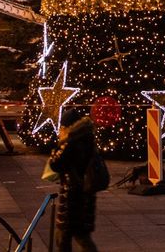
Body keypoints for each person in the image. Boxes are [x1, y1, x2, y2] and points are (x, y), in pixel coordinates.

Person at [48, 107, 100, 252]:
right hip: (86, 195)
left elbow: (55, 164)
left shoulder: (70, 142)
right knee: (82, 236)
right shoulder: (88, 140)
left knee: (64, 238)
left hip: (72, 197)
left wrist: (56, 149)